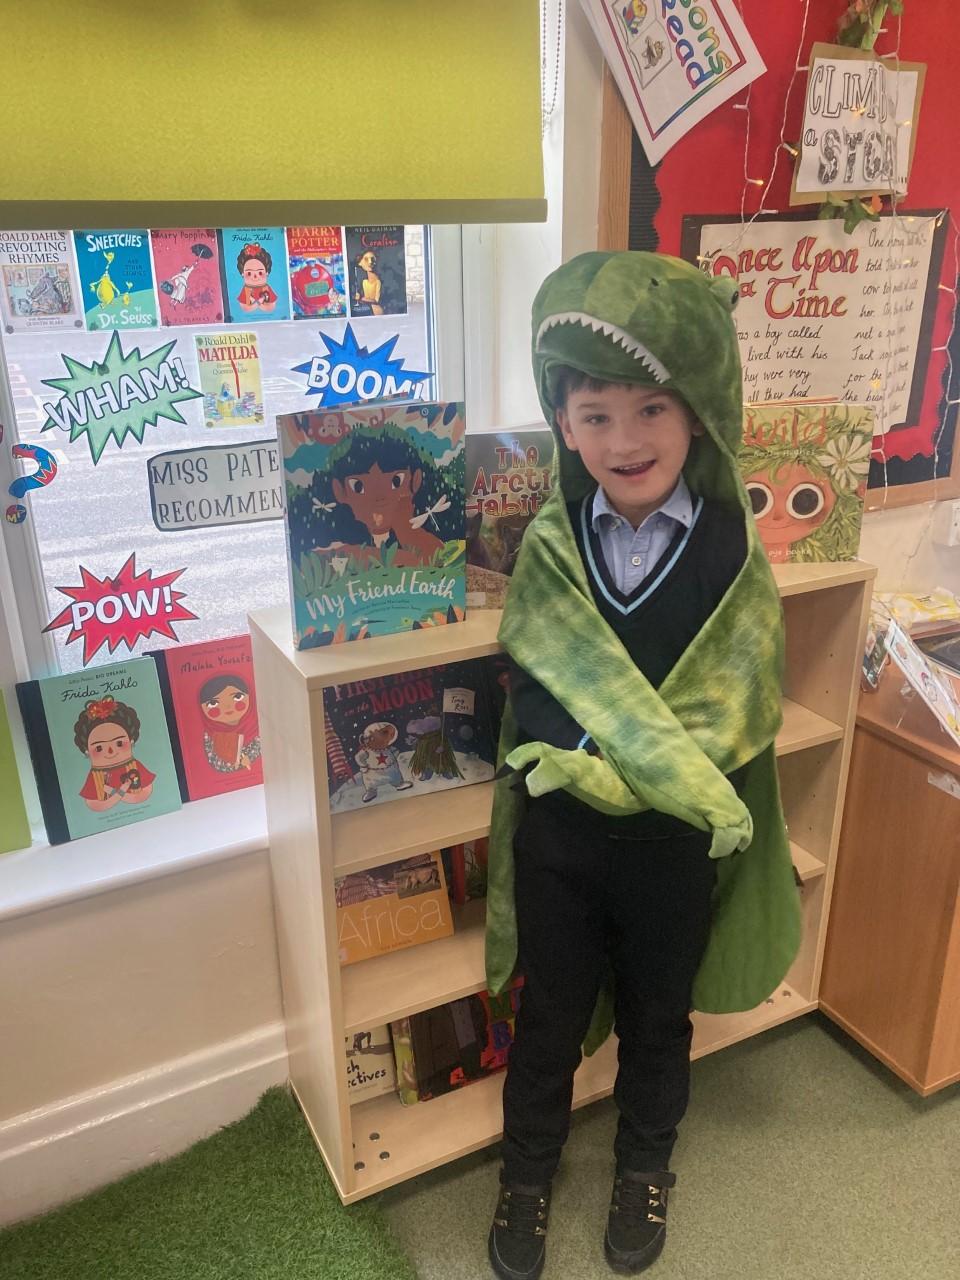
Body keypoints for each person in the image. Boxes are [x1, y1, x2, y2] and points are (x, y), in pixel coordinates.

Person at [484, 251, 801, 1279]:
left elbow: (738, 697)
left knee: (661, 1020)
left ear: (696, 414)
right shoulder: (551, 545)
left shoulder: (729, 551)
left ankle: (644, 1166)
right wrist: (593, 766)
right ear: (565, 425)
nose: (625, 440)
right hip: (564, 841)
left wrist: (650, 779)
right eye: (597, 414)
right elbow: (540, 677)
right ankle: (525, 1177)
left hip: (671, 846)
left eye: (652, 409)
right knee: (547, 1017)